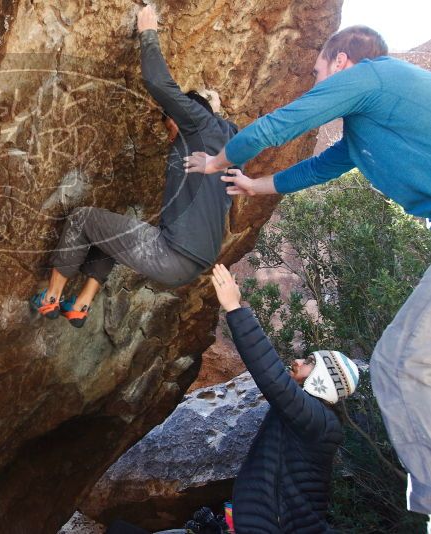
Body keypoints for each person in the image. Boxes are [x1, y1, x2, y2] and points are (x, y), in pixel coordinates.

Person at [184, 25, 431, 524]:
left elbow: (281, 125)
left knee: (401, 365)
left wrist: (218, 160)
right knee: (398, 365)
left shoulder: (370, 76)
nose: (316, 82)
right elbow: (321, 167)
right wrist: (256, 184)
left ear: (339, 62)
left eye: (317, 72)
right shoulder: (364, 128)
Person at [30, 4, 238, 327]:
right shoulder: (227, 145)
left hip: (172, 253)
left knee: (81, 219)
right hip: (193, 263)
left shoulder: (198, 124)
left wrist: (148, 32)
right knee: (116, 231)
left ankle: (51, 297)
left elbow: (158, 82)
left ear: (185, 114)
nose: (167, 126)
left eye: (167, 119)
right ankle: (80, 305)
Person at [211, 263, 359, 533]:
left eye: (309, 361)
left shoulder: (315, 420)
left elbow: (272, 378)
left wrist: (234, 307)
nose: (298, 361)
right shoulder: (315, 420)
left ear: (323, 378)